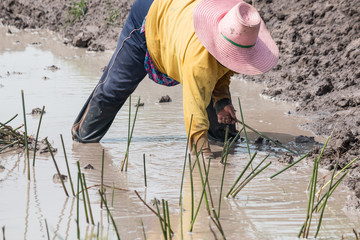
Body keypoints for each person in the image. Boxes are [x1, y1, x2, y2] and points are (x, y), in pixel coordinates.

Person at [71, 0, 279, 158]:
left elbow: (223, 67)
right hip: (150, 17)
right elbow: (194, 113)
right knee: (114, 89)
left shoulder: (237, 28)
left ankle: (224, 138)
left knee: (223, 130)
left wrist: (222, 100)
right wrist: (202, 156)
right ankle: (83, 138)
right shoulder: (198, 62)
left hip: (182, 24)